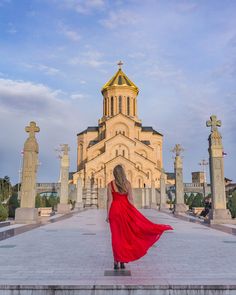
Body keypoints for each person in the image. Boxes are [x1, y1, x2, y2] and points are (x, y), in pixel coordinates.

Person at [106, 165, 173, 270]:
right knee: (125, 237)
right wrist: (134, 212)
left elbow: (109, 200)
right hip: (125, 210)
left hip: (114, 211)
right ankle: (123, 260)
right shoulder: (127, 184)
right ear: (123, 173)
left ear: (114, 173)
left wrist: (107, 214)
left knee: (116, 237)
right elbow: (130, 199)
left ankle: (116, 261)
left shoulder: (110, 185)